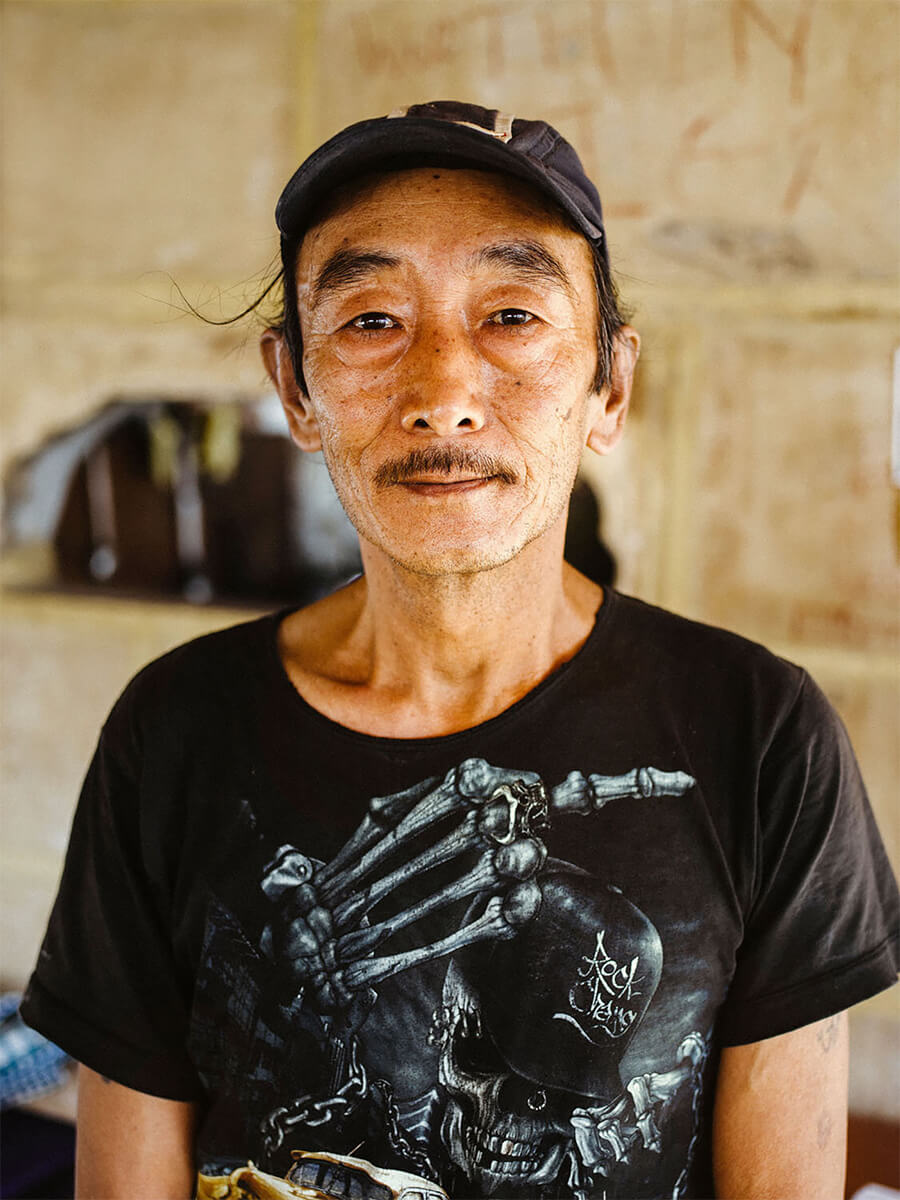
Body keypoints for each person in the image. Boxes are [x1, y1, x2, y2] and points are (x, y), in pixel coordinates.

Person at [21, 101, 899, 1200]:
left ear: (609, 387)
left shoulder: (760, 736)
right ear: (296, 388)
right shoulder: (175, 731)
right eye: (373, 320)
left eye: (514, 315)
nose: (443, 395)